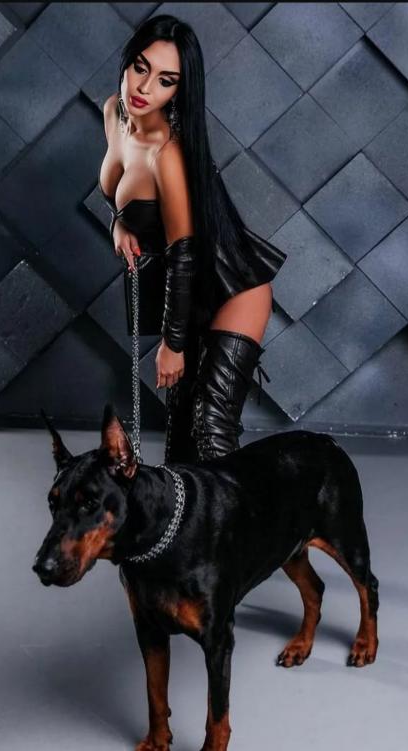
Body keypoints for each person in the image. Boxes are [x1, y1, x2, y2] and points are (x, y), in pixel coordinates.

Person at [99, 13, 287, 465]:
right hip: (191, 293)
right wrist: (119, 224)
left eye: (166, 81)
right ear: (127, 61)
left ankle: (246, 513)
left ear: (179, 91)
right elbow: (121, 192)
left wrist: (173, 345)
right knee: (180, 432)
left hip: (232, 289)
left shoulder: (167, 153)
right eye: (140, 68)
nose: (145, 88)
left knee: (210, 425)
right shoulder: (115, 112)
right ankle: (187, 512)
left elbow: (184, 256)